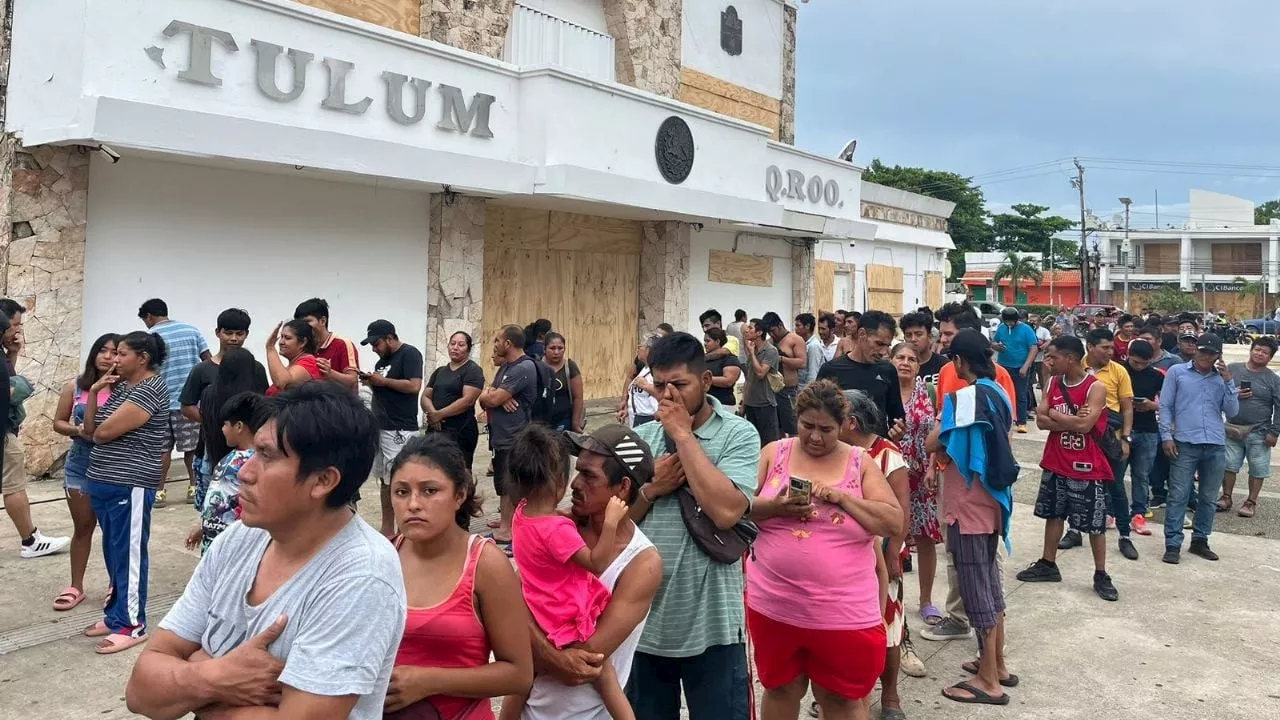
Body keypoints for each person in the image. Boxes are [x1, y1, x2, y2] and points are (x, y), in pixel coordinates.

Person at [125, 382, 407, 719]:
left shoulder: (361, 575)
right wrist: (218, 677)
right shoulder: (238, 540)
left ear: (322, 481)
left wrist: (194, 673)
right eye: (253, 452)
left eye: (267, 456)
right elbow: (141, 692)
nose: (244, 472)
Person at [747, 381, 900, 720]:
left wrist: (843, 498)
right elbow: (738, 508)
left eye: (826, 429)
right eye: (808, 426)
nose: (815, 437)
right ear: (795, 419)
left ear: (846, 425)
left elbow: (892, 522)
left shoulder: (860, 463)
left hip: (841, 614)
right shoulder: (775, 452)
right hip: (774, 605)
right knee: (780, 687)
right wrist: (777, 506)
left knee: (841, 698)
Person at [627, 332, 759, 720]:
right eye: (660, 384)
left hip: (714, 623)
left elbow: (727, 512)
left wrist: (683, 435)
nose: (668, 396)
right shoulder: (642, 437)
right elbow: (613, 522)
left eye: (680, 385)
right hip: (645, 623)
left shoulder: (739, 433)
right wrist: (652, 490)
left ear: (704, 381)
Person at [386, 434, 533, 719]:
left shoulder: (485, 565)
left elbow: (519, 674)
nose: (413, 504)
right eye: (401, 492)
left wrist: (428, 682)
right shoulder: (383, 557)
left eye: (430, 491)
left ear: (459, 494)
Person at [521, 425, 662, 720]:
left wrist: (522, 641)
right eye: (576, 471)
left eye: (589, 475)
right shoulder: (557, 532)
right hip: (531, 710)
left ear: (622, 488)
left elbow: (582, 663)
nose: (574, 483)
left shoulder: (641, 564)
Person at [927, 330, 1017, 706]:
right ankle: (996, 662)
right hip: (993, 502)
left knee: (976, 587)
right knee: (990, 584)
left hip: (968, 504)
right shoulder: (999, 392)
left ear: (959, 362)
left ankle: (988, 681)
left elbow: (935, 442)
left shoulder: (964, 397)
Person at [82, 331, 172, 652]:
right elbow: (91, 430)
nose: (114, 360)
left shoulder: (150, 389)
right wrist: (94, 393)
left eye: (121, 354)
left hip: (130, 483)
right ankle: (115, 614)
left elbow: (103, 433)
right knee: (113, 552)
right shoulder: (120, 388)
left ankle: (132, 624)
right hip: (104, 481)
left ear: (142, 358)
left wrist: (100, 432)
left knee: (130, 555)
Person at [1018, 335, 1120, 602]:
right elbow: (1040, 421)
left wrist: (1056, 416)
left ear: (1070, 358)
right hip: (1056, 461)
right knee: (1054, 514)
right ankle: (1048, 563)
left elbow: (1085, 427)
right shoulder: (1052, 382)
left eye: (1054, 357)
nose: (1049, 361)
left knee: (1094, 523)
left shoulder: (1094, 387)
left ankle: (1101, 573)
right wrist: (1069, 419)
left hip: (1087, 466)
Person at [838, 389, 914, 719]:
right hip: (844, 557)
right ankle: (847, 694)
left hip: (883, 554)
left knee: (888, 625)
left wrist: (895, 552)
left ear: (851, 422)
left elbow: (902, 511)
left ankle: (891, 698)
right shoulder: (836, 453)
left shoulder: (888, 455)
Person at [49, 333, 117, 609]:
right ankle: (76, 586)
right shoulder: (76, 387)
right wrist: (77, 430)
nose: (108, 357)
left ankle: (116, 585)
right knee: (83, 527)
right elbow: (57, 422)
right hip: (79, 465)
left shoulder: (125, 389)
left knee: (114, 529)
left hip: (113, 466)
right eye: (102, 350)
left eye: (114, 352)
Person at [1058, 329, 1138, 560]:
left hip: (1110, 439)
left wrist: (1126, 438)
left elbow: (1127, 407)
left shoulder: (1118, 371)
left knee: (1116, 489)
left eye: (1112, 347)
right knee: (1077, 486)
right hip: (1081, 438)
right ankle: (1074, 530)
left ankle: (1125, 535)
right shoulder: (1075, 366)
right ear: (1090, 346)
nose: (1110, 352)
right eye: (1105, 347)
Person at [1159, 332, 1238, 564]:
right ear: (1196, 349)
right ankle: (1173, 543)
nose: (1205, 356)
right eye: (1202, 351)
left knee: (1208, 496)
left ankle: (1200, 540)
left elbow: (1232, 412)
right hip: (1185, 442)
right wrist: (1166, 436)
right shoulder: (1177, 373)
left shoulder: (1221, 378)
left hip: (1214, 444)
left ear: (1218, 356)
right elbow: (1165, 406)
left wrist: (1229, 381)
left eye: (1211, 353)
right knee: (1178, 495)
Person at [0, 304, 69, 561]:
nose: (18, 330)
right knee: (14, 487)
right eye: (15, 325)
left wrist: (12, 354)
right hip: (4, 433)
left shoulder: (3, 352)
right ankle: (30, 540)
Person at [179, 309, 267, 507]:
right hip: (210, 449)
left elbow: (264, 406)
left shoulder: (257, 369)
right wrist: (214, 420)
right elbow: (186, 406)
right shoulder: (202, 370)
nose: (234, 339)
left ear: (246, 334)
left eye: (239, 333)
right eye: (228, 333)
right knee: (211, 510)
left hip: (249, 452)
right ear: (218, 332)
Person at [889, 342, 943, 628]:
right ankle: (891, 598)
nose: (905, 363)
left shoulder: (928, 392)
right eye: (900, 357)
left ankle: (925, 600)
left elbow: (936, 430)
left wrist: (933, 467)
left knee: (925, 538)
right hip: (890, 473)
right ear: (891, 360)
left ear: (918, 366)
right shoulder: (884, 390)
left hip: (921, 474)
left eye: (911, 359)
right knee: (891, 537)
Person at [138, 298, 211, 505]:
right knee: (192, 449)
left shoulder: (149, 338)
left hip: (159, 403)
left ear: (149, 316)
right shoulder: (192, 330)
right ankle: (194, 487)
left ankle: (159, 492)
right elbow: (208, 360)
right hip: (189, 402)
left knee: (162, 450)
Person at [358, 319, 425, 536]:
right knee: (385, 481)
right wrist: (371, 381)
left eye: (376, 344)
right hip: (382, 427)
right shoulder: (381, 363)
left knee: (400, 479)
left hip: (400, 429)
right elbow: (384, 385)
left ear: (389, 337)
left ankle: (406, 529)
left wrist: (383, 382)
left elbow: (414, 385)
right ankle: (388, 528)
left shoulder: (409, 354)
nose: (374, 349)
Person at [184, 391, 265, 554]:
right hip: (213, 542)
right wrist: (203, 523)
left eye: (225, 424)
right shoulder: (231, 457)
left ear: (239, 426)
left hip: (234, 546)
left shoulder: (256, 462)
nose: (222, 429)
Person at [481, 325, 540, 547]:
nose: (494, 344)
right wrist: (495, 395)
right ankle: (507, 526)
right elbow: (486, 395)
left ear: (508, 343)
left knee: (511, 483)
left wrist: (496, 397)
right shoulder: (506, 367)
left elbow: (491, 399)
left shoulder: (522, 368)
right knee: (502, 483)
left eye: (497, 340)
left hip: (515, 437)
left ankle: (510, 532)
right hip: (501, 436)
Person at [193, 347, 269, 511]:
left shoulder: (208, 393)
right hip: (246, 461)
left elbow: (204, 420)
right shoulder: (252, 398)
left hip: (212, 458)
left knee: (212, 511)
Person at [816, 310, 904, 437]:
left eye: (887, 346)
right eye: (879, 344)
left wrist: (897, 432)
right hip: (841, 450)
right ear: (862, 333)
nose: (884, 352)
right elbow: (818, 413)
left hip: (876, 451)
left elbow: (897, 416)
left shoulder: (888, 370)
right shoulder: (831, 369)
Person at [1219, 336, 1280, 518]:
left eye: (1265, 352)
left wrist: (1275, 432)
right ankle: (1226, 497)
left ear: (1270, 357)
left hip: (1259, 432)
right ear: (1251, 350)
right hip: (1231, 428)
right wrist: (1234, 394)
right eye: (1257, 349)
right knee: (1228, 465)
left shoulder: (1273, 380)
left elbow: (1279, 407)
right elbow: (1217, 393)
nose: (1259, 354)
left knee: (1257, 468)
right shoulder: (1233, 369)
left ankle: (1251, 501)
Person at [424, 331, 486, 470]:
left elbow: (468, 400)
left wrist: (441, 415)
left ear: (468, 349)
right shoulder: (439, 371)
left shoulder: (473, 370)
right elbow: (426, 396)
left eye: (461, 344)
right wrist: (433, 414)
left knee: (460, 472)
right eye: (452, 343)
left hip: (461, 430)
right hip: (436, 430)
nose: (455, 347)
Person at [294, 297, 361, 389]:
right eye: (300, 323)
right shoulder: (303, 346)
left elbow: (353, 381)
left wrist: (330, 373)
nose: (303, 327)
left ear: (322, 321)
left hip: (341, 403)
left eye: (307, 321)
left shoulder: (342, 343)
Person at [991, 307, 1038, 433]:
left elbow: (1033, 348)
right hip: (1004, 366)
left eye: (1011, 322)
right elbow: (993, 342)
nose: (1009, 324)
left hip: (1020, 367)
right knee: (1001, 393)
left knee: (1020, 394)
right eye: (1007, 322)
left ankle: (1021, 422)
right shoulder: (1001, 328)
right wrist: (996, 346)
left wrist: (1026, 366)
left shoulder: (1026, 330)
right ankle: (1003, 419)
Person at [761, 312, 806, 438]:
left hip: (788, 389)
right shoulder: (769, 342)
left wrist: (781, 359)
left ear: (780, 325)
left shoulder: (795, 339)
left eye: (773, 330)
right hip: (771, 390)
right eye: (769, 332)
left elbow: (802, 363)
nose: (772, 334)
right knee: (775, 425)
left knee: (792, 425)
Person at [742, 318, 782, 446]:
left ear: (759, 332)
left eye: (750, 328)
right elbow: (748, 378)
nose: (747, 330)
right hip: (750, 403)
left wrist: (752, 354)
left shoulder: (770, 351)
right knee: (753, 442)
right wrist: (744, 402)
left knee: (769, 442)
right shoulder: (752, 349)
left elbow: (760, 373)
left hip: (765, 403)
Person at [265, 318, 323, 395]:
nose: (281, 342)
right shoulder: (293, 365)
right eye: (281, 337)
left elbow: (283, 383)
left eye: (287, 338)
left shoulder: (309, 363)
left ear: (303, 342)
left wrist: (270, 348)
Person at [544, 332, 585, 433]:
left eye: (560, 348)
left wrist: (575, 423)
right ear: (544, 349)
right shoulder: (536, 366)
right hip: (541, 422)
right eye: (552, 348)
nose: (556, 352)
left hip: (564, 420)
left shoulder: (570, 366)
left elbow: (578, 397)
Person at [622, 333, 662, 427]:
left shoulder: (657, 371)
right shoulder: (644, 368)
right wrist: (628, 409)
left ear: (649, 350)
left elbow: (663, 393)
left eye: (641, 345)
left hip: (650, 421)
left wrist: (645, 386)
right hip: (637, 419)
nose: (638, 347)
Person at [902, 310, 946, 386]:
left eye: (918, 334)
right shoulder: (901, 367)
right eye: (908, 335)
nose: (913, 339)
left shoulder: (944, 366)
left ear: (930, 336)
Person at [703, 328, 742, 408]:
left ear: (717, 341)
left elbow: (728, 381)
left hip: (724, 405)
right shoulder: (705, 358)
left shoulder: (730, 359)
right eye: (704, 341)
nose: (705, 344)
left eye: (708, 341)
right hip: (706, 405)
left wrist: (705, 379)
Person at [794, 313, 825, 387]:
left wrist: (808, 392)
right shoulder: (803, 343)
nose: (795, 329)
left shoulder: (813, 346)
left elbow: (813, 373)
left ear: (807, 326)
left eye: (798, 325)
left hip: (806, 388)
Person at [1029, 313, 1052, 402]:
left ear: (1039, 322)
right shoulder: (1028, 330)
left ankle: (1045, 399)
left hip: (1040, 359)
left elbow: (1049, 340)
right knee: (1030, 382)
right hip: (1030, 359)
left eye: (1034, 321)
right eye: (1030, 321)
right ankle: (1032, 401)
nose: (1032, 323)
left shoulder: (1044, 331)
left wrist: (1042, 346)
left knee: (1042, 380)